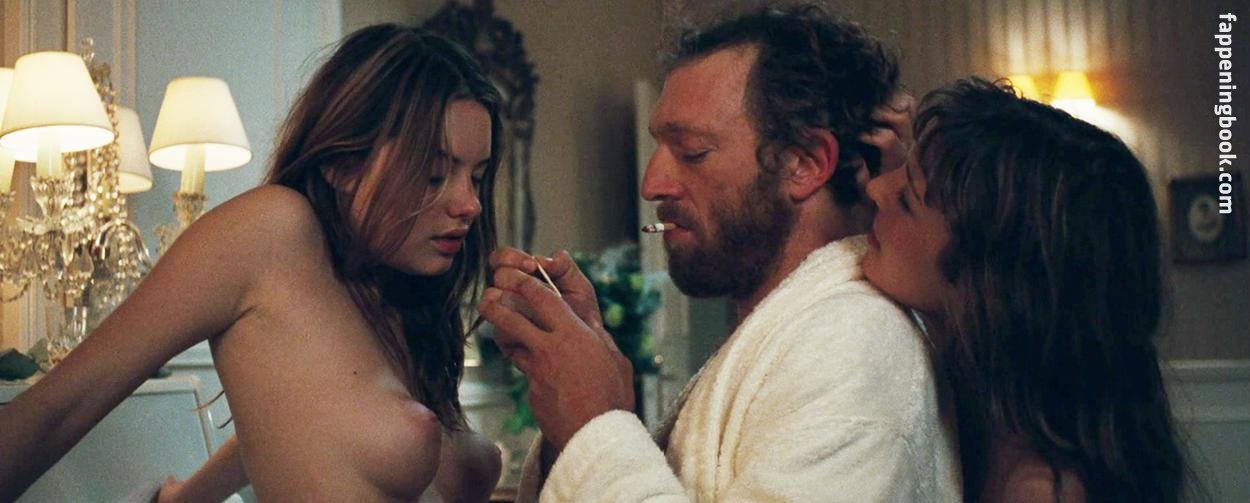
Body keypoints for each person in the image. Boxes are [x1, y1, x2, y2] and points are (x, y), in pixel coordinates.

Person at [478, 5, 961, 501]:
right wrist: (578, 398)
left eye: (692, 152)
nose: (652, 184)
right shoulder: (799, 327)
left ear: (805, 163)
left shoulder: (853, 343)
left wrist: (594, 421)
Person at [0, 24, 502, 501]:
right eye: (434, 176)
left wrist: (188, 498)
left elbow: (304, 420)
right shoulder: (271, 230)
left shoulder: (402, 295)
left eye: (476, 177)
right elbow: (57, 411)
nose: (470, 204)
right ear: (342, 165)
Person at [862, 77, 1187, 502]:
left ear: (991, 286)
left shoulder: (1042, 491)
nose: (874, 189)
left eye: (907, 200)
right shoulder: (988, 416)